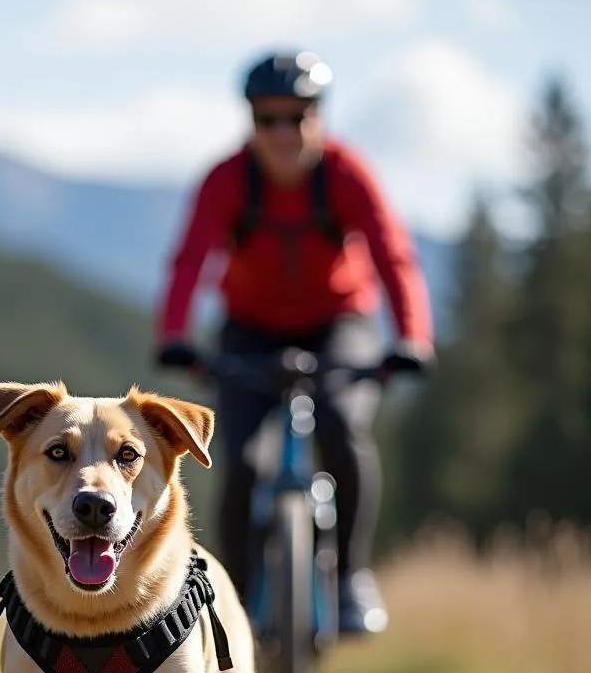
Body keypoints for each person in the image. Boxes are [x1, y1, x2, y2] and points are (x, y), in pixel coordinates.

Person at [154, 49, 435, 635]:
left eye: (298, 116)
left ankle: (353, 577)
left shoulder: (347, 174)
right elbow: (189, 259)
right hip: (249, 327)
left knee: (340, 425)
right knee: (240, 463)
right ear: (251, 122)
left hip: (339, 321)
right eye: (268, 119)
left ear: (319, 116)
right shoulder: (227, 179)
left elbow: (393, 255)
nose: (284, 132)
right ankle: (225, 599)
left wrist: (412, 336)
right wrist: (175, 335)